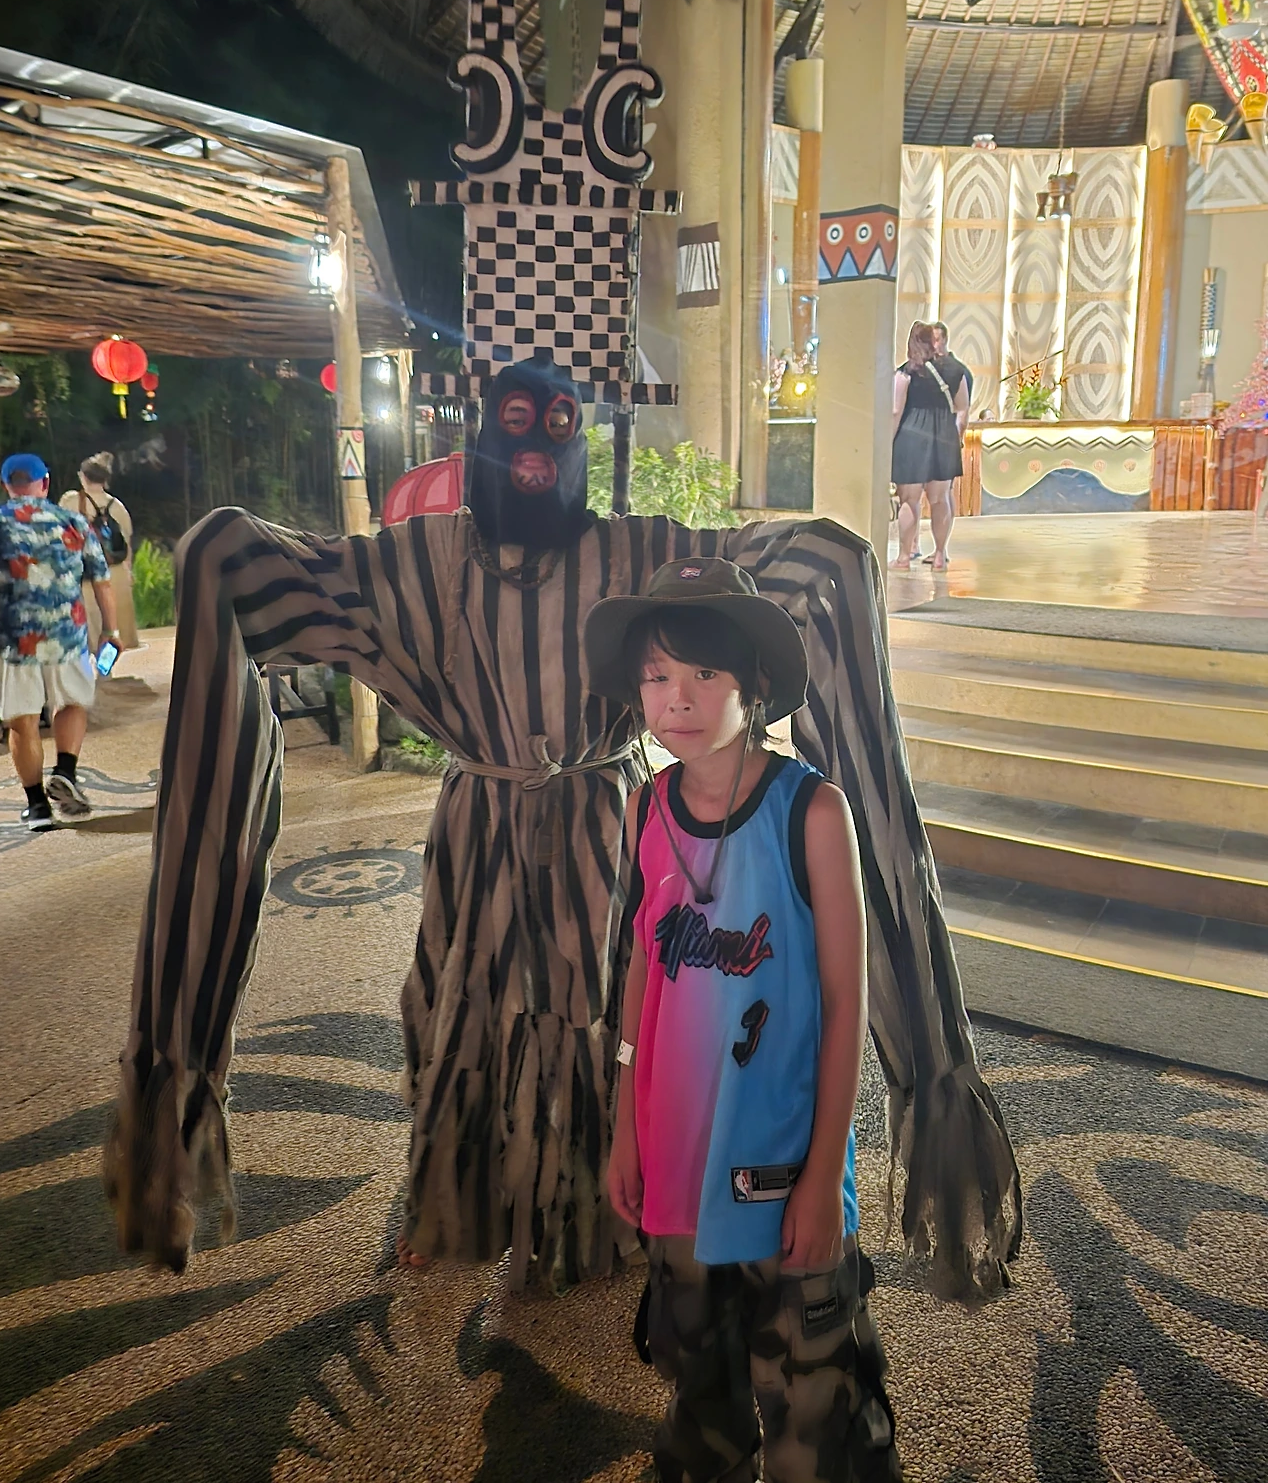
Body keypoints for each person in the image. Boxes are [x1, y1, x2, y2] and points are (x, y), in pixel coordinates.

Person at [105, 359, 1020, 1306]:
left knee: (611, 1011)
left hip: (603, 823)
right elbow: (256, 568)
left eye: (558, 426)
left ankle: (602, 1213)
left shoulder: (629, 553)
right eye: (515, 421)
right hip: (482, 830)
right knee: (468, 1010)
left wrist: (832, 573)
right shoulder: (422, 562)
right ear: (481, 433)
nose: (537, 449)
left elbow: (813, 566)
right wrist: (175, 1059)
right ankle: (459, 1200)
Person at [587, 556, 901, 1482]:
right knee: (699, 1387)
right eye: (656, 676)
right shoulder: (646, 808)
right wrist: (625, 1127)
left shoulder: (812, 812)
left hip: (781, 1161)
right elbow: (643, 972)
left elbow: (844, 1004)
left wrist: (823, 1177)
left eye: (702, 673)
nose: (676, 699)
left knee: (818, 1404)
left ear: (752, 685)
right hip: (676, 1152)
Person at [0, 452, 119, 830]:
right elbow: (102, 581)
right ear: (45, 483)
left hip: (14, 639)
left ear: (6, 485)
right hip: (67, 634)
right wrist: (110, 632)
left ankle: (37, 808)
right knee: (73, 702)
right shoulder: (74, 522)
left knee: (22, 720)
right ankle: (65, 770)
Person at [891, 322, 969, 573]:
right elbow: (962, 409)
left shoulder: (906, 371)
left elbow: (895, 411)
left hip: (911, 438)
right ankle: (939, 555)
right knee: (940, 499)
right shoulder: (956, 370)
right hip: (944, 438)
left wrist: (888, 443)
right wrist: (955, 438)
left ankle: (904, 557)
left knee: (909, 501)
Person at [60, 452, 140, 651]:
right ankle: (112, 661)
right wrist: (128, 570)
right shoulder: (118, 506)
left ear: (83, 476)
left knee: (92, 625)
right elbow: (127, 542)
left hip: (86, 571)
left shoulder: (70, 501)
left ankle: (94, 662)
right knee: (116, 629)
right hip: (115, 572)